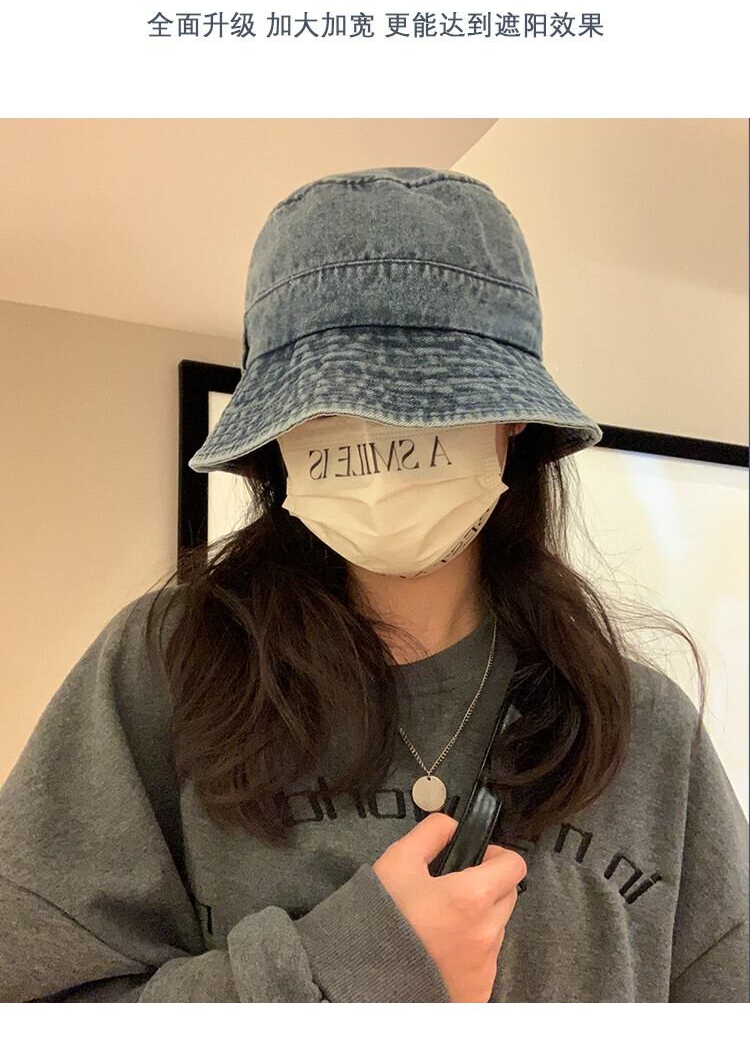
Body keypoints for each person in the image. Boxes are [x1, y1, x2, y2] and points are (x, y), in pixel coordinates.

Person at [0, 166, 747, 1003]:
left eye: (434, 401)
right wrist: (351, 971)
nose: (384, 450)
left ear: (514, 421)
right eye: (330, 410)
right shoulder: (166, 669)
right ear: (274, 435)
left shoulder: (644, 731)